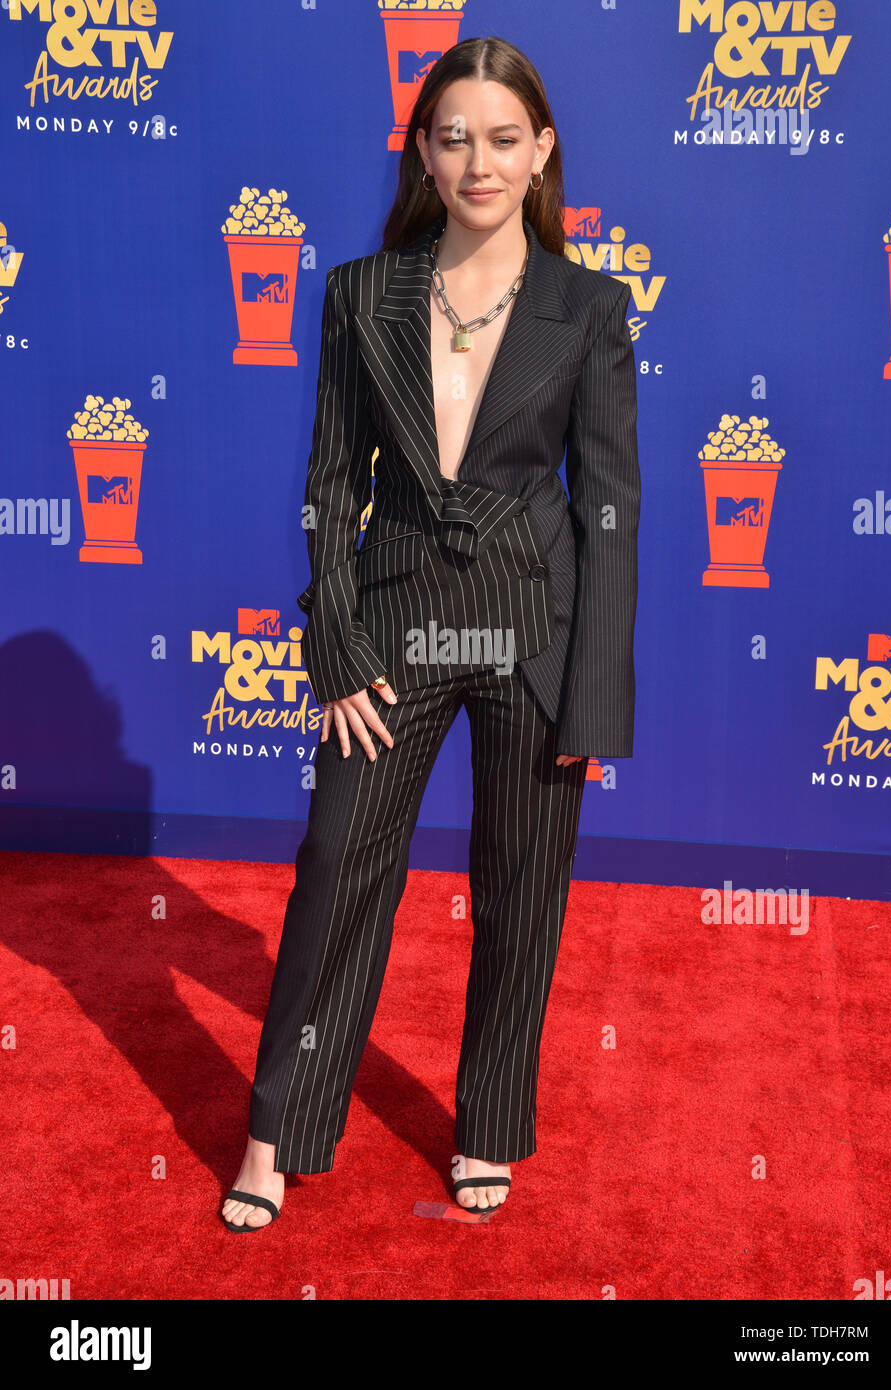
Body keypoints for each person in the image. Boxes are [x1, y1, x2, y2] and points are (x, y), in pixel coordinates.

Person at [221, 35, 640, 1231]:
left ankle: (489, 1128)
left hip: (532, 631)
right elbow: (324, 486)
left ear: (541, 151)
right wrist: (333, 646)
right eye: (454, 135)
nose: (478, 160)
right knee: (335, 876)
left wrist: (593, 699)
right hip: (393, 626)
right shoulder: (361, 292)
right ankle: (277, 1132)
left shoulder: (589, 307)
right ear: (422, 148)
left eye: (503, 138)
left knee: (521, 892)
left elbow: (612, 509)